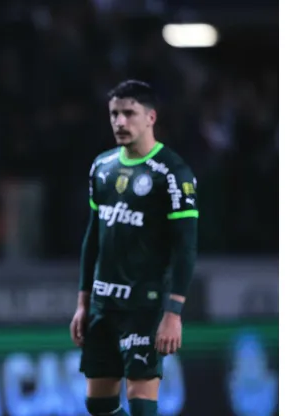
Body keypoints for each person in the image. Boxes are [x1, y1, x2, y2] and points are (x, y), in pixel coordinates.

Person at [69, 80, 198, 416]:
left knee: (141, 403)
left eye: (129, 113)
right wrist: (83, 303)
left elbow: (185, 247)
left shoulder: (172, 172)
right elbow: (92, 238)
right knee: (98, 405)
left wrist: (173, 315)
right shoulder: (102, 167)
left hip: (145, 305)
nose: (120, 122)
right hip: (102, 304)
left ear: (151, 118)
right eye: (114, 114)